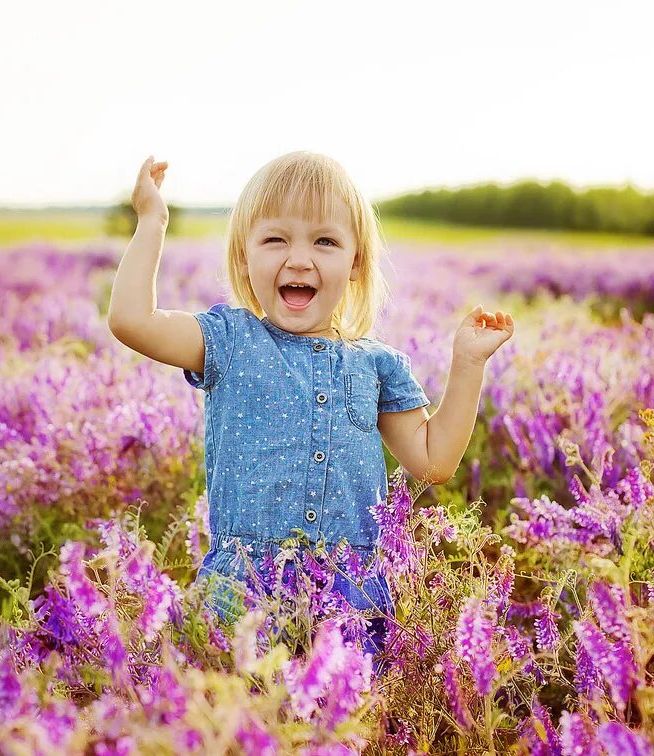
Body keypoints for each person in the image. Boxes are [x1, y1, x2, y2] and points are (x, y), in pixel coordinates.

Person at [107, 150, 514, 675]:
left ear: (356, 262)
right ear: (244, 256)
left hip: (351, 594)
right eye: (276, 239)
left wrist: (467, 365)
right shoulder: (230, 340)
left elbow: (433, 461)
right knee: (229, 719)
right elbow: (131, 320)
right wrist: (152, 222)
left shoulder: (377, 366)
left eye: (324, 241)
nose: (299, 259)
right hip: (244, 587)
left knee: (344, 723)